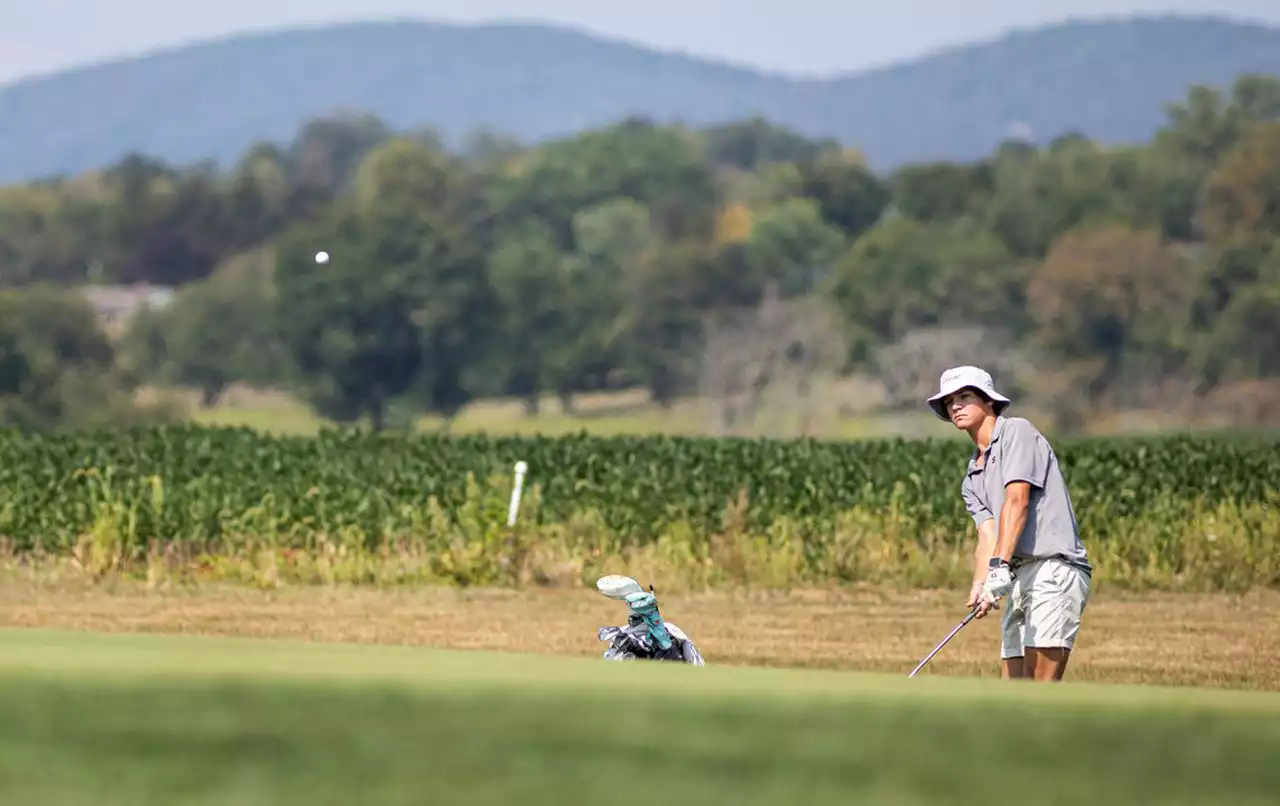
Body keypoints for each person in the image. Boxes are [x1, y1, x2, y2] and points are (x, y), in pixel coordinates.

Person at [926, 366, 1093, 682]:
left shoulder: (1017, 432)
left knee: (1039, 686)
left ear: (988, 401)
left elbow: (1018, 501)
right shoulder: (972, 475)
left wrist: (998, 568)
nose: (955, 406)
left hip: (1054, 569)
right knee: (1012, 685)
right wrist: (980, 583)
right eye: (949, 402)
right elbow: (987, 534)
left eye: (965, 397)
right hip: (1015, 576)